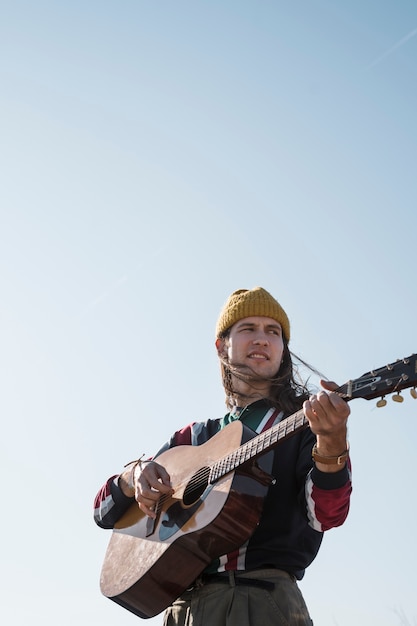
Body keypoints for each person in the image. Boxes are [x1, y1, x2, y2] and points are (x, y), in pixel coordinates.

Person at [94, 287, 352, 626]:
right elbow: (103, 512)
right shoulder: (192, 437)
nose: (262, 339)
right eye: (249, 329)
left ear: (282, 350)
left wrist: (332, 442)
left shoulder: (305, 425)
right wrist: (134, 476)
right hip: (183, 611)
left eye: (273, 332)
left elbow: (326, 515)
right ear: (222, 346)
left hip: (264, 604)